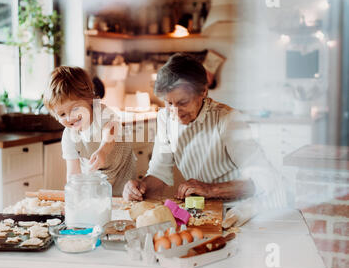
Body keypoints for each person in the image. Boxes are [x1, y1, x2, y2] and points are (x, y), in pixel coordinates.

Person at [123, 53, 288, 227]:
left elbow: (264, 180)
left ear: (203, 91)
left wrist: (210, 189)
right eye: (169, 103)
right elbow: (159, 173)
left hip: (244, 211)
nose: (175, 112)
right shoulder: (165, 118)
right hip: (205, 209)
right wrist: (139, 188)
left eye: (183, 102)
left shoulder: (228, 120)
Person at [44, 66, 136, 196]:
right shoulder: (69, 135)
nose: (70, 118)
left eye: (75, 109)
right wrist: (73, 197)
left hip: (122, 176)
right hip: (98, 180)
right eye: (62, 114)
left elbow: (110, 130)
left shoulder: (102, 112)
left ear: (89, 98)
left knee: (123, 206)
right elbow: (73, 174)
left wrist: (103, 151)